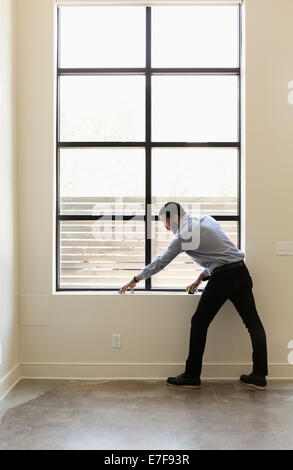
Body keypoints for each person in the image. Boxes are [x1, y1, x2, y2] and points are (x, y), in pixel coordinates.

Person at [118, 201, 268, 391]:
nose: (166, 227)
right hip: (241, 273)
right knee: (253, 323)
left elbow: (161, 262)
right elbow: (221, 254)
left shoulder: (183, 235)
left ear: (174, 217)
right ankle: (260, 376)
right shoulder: (207, 220)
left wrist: (136, 279)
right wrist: (200, 278)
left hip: (224, 278)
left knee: (199, 322)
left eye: (165, 222)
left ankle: (191, 375)